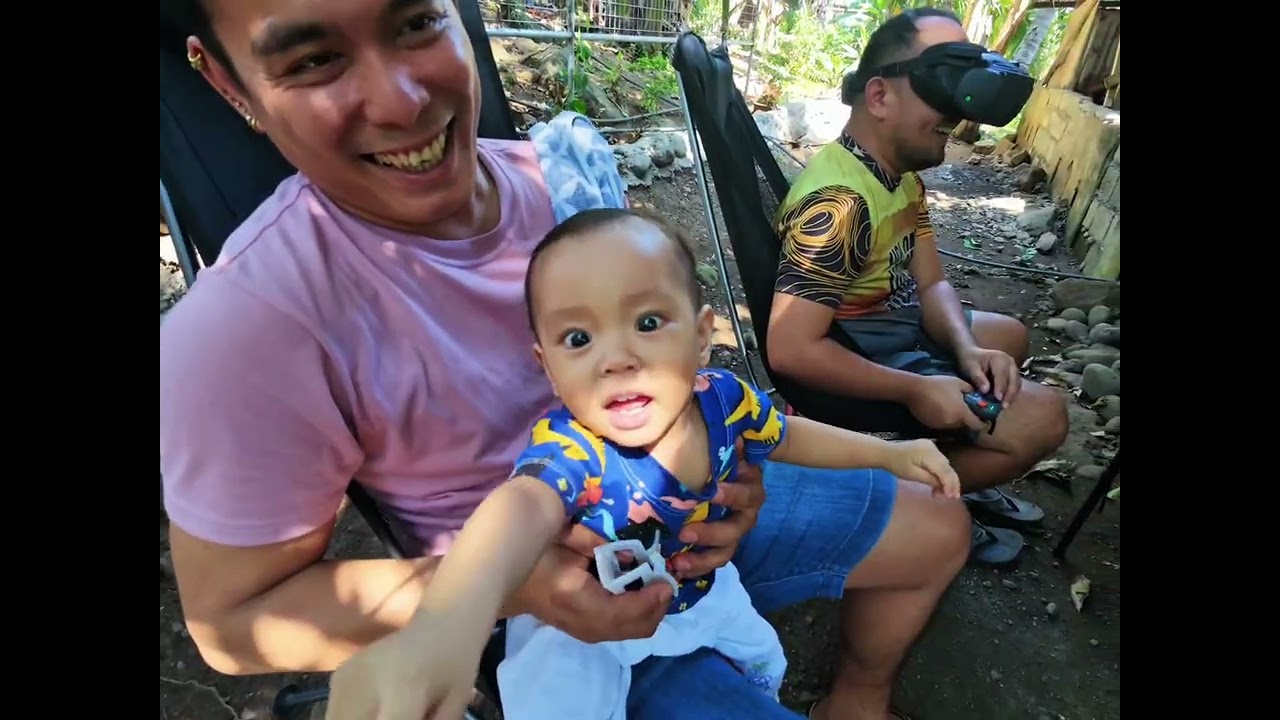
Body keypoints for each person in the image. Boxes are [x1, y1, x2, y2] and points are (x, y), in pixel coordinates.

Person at [158, 1, 971, 719]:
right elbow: (232, 626)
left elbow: (697, 380)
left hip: (689, 513)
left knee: (940, 523)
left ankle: (855, 699)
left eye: (415, 23)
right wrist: (471, 610)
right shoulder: (247, 325)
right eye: (312, 60)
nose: (402, 101)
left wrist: (731, 472)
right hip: (557, 604)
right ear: (229, 85)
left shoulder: (561, 181)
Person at [355, 207, 961, 720]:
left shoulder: (722, 398)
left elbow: (786, 435)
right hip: (578, 629)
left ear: (701, 336)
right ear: (545, 365)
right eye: (577, 339)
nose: (617, 358)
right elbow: (518, 510)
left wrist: (890, 452)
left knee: (763, 662)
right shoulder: (574, 450)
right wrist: (449, 621)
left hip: (701, 586)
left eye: (647, 323)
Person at [765, 7, 1070, 566]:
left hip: (893, 328)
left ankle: (957, 469)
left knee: (1007, 340)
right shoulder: (840, 205)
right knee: (1044, 417)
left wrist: (966, 347)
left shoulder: (897, 175)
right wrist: (913, 390)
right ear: (879, 97)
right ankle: (921, 500)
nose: (956, 112)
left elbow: (931, 286)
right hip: (860, 357)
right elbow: (788, 350)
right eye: (942, 84)